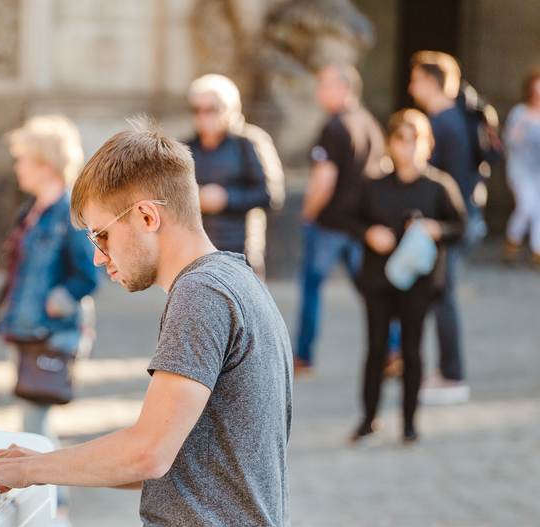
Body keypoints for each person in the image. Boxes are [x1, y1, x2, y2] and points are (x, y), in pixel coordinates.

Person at [0, 117, 299, 527]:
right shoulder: (233, 278)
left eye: (101, 234)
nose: (99, 257)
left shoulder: (200, 295)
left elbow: (148, 453)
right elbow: (161, 459)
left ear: (148, 215)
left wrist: (32, 471)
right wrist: (41, 462)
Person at [0, 115, 98, 527]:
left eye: (24, 159)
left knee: (36, 424)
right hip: (28, 332)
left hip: (54, 334)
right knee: (35, 422)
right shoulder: (31, 211)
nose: (18, 168)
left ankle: (57, 514)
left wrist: (60, 299)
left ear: (47, 162)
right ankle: (50, 511)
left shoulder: (70, 213)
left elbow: (89, 276)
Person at [348, 109, 465, 445]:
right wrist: (369, 233)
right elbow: (348, 219)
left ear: (427, 145)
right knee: (376, 348)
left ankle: (410, 422)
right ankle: (368, 419)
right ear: (390, 144)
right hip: (378, 279)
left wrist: (435, 229)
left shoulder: (439, 186)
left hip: (419, 281)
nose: (408, 148)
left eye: (416, 140)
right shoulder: (373, 185)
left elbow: (461, 227)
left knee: (412, 349)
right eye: (401, 140)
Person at [294, 64, 385, 374]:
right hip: (359, 225)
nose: (319, 92)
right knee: (371, 290)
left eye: (325, 85)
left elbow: (324, 179)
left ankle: (303, 355)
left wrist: (309, 212)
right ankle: (393, 348)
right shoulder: (369, 123)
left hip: (330, 225)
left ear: (345, 88)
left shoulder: (333, 127)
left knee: (311, 287)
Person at [408, 51, 477, 403]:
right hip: (463, 218)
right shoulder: (459, 117)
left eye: (416, 78)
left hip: (448, 224)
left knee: (443, 296)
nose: (410, 86)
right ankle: (449, 370)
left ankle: (452, 375)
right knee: (442, 294)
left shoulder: (440, 122)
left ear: (431, 82)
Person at [185, 74, 280, 269]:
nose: (204, 116)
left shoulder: (249, 142)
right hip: (197, 251)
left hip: (240, 251)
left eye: (212, 109)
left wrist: (226, 198)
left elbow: (270, 194)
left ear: (232, 109)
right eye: (197, 110)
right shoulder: (185, 147)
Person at [502, 68, 540, 268]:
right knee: (526, 206)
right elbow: (509, 141)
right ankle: (512, 242)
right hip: (520, 168)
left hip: (538, 170)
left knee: (539, 210)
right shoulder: (520, 112)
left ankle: (537, 250)